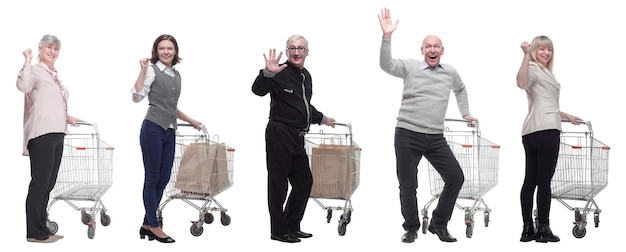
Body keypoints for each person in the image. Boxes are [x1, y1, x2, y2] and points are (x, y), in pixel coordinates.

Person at [377, 8, 479, 243]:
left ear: (442, 50)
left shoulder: (450, 72)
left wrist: (466, 113)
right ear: (422, 50)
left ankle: (438, 224)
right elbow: (386, 65)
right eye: (428, 46)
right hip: (407, 134)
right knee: (407, 185)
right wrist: (387, 36)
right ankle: (411, 227)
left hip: (435, 137)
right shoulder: (410, 67)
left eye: (436, 46)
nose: (432, 50)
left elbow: (461, 89)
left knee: (455, 177)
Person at [252, 34, 336, 243]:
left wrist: (323, 118)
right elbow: (257, 90)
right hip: (279, 133)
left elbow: (304, 107)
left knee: (304, 182)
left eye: (300, 48)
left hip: (298, 136)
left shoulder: (306, 76)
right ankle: (278, 231)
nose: (296, 52)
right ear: (287, 52)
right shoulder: (278, 71)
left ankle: (291, 225)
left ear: (307, 52)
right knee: (278, 184)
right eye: (292, 48)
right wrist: (266, 74)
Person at [131, 34, 202, 244]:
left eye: (169, 48)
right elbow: (136, 97)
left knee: (163, 179)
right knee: (152, 178)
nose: (166, 52)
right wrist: (142, 71)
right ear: (156, 51)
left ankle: (146, 223)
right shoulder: (152, 70)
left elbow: (171, 107)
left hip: (170, 130)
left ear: (175, 51)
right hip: (152, 128)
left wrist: (192, 120)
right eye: (162, 48)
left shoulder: (176, 74)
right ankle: (154, 225)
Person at [17, 34, 84, 243]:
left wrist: (67, 116)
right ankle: (33, 231)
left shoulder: (54, 75)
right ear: (40, 48)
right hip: (41, 134)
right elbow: (23, 86)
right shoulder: (35, 71)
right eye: (49, 48)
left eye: (56, 49)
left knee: (49, 183)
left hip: (58, 132)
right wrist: (26, 61)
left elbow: (51, 103)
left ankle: (42, 225)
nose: (52, 52)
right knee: (40, 183)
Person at [516, 35, 581, 243]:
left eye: (549, 49)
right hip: (547, 131)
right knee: (544, 182)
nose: (546, 53)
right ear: (534, 50)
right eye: (541, 49)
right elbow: (521, 82)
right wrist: (525, 55)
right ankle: (543, 227)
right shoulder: (533, 67)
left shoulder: (545, 72)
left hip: (531, 131)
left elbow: (545, 103)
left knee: (530, 181)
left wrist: (566, 115)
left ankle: (528, 229)